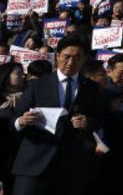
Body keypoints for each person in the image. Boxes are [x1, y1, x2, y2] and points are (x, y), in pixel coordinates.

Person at [10, 36, 103, 195]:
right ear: (58, 56)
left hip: (72, 165)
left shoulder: (92, 88)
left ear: (84, 60)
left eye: (76, 58)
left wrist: (87, 122)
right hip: (34, 161)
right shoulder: (37, 84)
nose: (70, 62)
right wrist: (22, 120)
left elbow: (100, 119)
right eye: (66, 57)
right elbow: (15, 118)